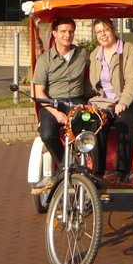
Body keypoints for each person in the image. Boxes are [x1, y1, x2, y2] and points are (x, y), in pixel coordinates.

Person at [88, 17, 133, 181]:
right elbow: (94, 85)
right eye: (99, 32)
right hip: (106, 103)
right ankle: (97, 172)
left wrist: (123, 101)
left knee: (124, 119)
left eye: (106, 30)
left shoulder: (128, 49)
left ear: (113, 30)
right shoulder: (95, 54)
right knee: (96, 122)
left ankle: (123, 172)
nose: (103, 34)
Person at [31, 16, 92, 168]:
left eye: (70, 31)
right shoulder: (45, 60)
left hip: (76, 100)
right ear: (54, 33)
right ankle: (65, 165)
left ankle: (88, 164)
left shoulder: (83, 54)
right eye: (63, 31)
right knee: (47, 135)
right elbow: (39, 93)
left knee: (88, 127)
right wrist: (56, 113)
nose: (67, 35)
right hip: (51, 103)